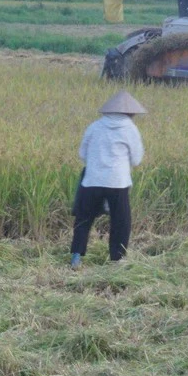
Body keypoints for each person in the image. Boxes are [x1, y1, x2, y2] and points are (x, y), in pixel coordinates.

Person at [70, 91, 146, 269]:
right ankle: (116, 260)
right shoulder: (130, 129)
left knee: (83, 219)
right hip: (118, 182)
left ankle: (76, 257)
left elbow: (82, 153)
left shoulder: (94, 127)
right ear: (130, 113)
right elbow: (136, 159)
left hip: (92, 180)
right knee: (121, 221)